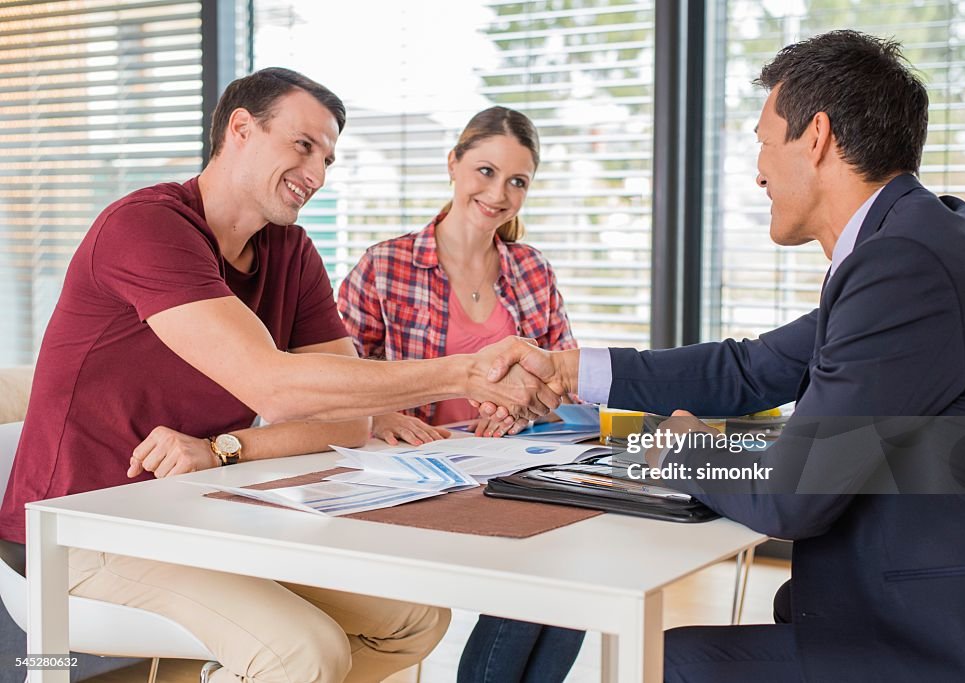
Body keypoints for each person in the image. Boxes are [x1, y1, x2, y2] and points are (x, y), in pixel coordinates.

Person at [481, 31, 965, 682]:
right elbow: (751, 368)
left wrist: (680, 446)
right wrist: (568, 371)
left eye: (765, 143)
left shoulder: (904, 264)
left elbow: (796, 495)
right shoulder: (912, 241)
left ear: (816, 136)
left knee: (665, 663)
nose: (759, 170)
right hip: (912, 604)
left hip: (947, 640)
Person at [0, 68, 560, 683]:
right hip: (78, 528)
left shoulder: (290, 253)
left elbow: (348, 422)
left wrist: (222, 449)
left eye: (328, 158)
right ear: (241, 128)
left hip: (190, 514)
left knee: (413, 620)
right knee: (305, 651)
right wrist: (466, 374)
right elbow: (273, 385)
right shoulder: (147, 228)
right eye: (303, 146)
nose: (317, 176)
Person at [337, 106, 584, 682]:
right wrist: (379, 414)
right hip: (419, 476)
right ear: (453, 164)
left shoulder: (532, 271)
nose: (498, 193)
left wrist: (525, 407)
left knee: (570, 579)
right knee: (541, 578)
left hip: (508, 468)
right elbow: (329, 372)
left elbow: (564, 379)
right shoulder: (386, 265)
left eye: (517, 181)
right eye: (485, 171)